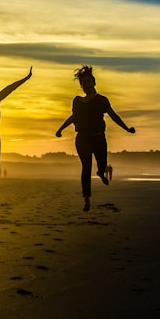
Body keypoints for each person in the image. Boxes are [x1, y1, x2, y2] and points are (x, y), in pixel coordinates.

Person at [55, 65, 135, 211]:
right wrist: (60, 129)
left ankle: (101, 172)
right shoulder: (77, 101)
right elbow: (74, 117)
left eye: (88, 82)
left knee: (102, 163)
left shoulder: (102, 100)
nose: (86, 85)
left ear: (94, 83)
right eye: (83, 83)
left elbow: (113, 116)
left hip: (99, 138)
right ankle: (87, 200)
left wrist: (127, 128)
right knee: (86, 167)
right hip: (83, 138)